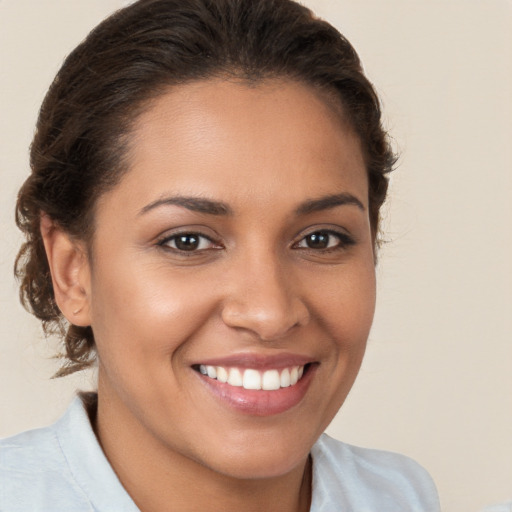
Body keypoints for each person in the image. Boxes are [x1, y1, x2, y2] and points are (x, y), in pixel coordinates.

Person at [0, 0, 441, 510]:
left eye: (320, 238)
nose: (270, 313)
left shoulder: (400, 497)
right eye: (187, 241)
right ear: (72, 272)